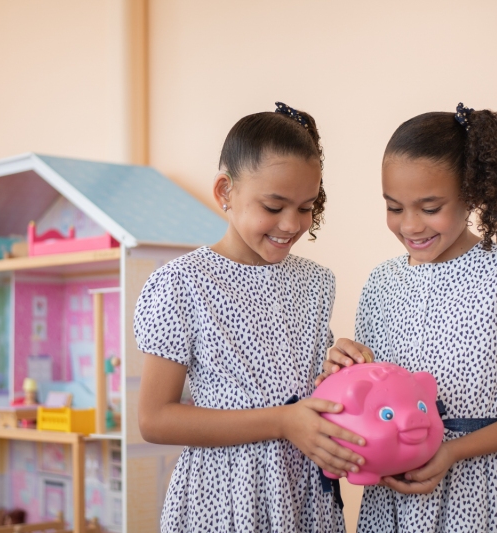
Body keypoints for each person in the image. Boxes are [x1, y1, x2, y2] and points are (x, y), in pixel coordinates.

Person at [322, 103, 497, 532]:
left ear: (472, 194)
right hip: (391, 502)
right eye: (394, 207)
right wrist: (342, 372)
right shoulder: (381, 283)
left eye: (430, 206)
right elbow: (374, 397)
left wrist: (452, 452)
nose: (410, 225)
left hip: (482, 496)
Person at [135, 102, 371, 532]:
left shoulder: (317, 282)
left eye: (305, 207)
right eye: (274, 205)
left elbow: (308, 388)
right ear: (225, 191)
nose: (291, 223)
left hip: (303, 494)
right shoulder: (181, 283)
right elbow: (155, 419)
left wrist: (339, 370)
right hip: (224, 497)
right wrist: (282, 422)